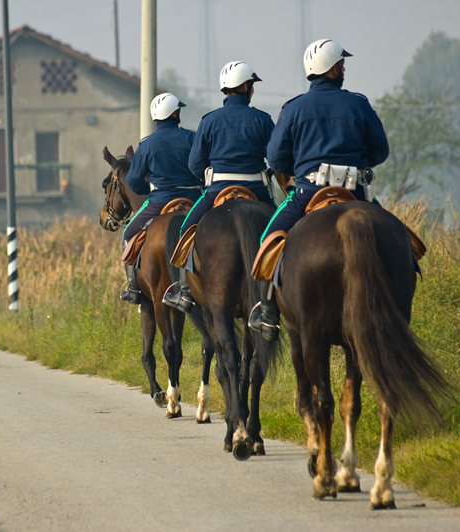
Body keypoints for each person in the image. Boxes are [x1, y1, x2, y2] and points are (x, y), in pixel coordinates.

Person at [248, 39, 389, 341]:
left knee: (267, 239)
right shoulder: (358, 103)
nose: (345, 68)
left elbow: (275, 158)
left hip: (308, 193)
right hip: (357, 192)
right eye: (342, 63)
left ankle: (269, 313)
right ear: (334, 68)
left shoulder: (294, 108)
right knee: (395, 236)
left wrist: (299, 168)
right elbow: (380, 150)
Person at [163, 61, 276, 313]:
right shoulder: (263, 119)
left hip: (217, 189)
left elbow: (195, 164)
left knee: (185, 229)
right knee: (282, 229)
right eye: (252, 85)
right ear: (246, 86)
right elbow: (276, 158)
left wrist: (208, 178)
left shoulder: (209, 121)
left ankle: (182, 289)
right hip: (256, 189)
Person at [119, 92, 202, 304]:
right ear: (174, 114)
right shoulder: (192, 138)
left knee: (128, 233)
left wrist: (147, 187)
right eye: (178, 110)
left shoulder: (146, 145)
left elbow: (134, 182)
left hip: (160, 201)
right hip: (194, 198)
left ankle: (134, 288)